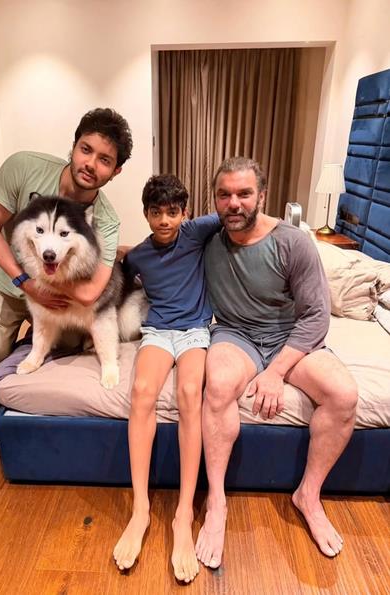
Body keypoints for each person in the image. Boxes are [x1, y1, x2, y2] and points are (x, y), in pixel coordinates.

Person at [195, 156, 358, 568]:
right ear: (214, 199)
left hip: (290, 336)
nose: (234, 203)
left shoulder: (293, 241)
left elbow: (316, 316)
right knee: (218, 386)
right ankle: (216, 502)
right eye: (224, 195)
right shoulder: (207, 237)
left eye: (244, 194)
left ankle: (309, 495)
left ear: (262, 196)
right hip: (235, 334)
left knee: (343, 394)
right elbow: (155, 246)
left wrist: (275, 372)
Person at [113, 174, 220, 583]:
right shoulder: (139, 255)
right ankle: (140, 509)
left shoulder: (195, 233)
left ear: (185, 213)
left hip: (195, 330)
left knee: (191, 392)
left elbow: (234, 213)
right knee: (142, 392)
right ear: (145, 214)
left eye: (172, 212)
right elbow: (120, 272)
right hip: (158, 330)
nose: (164, 220)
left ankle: (182, 514)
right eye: (156, 212)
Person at [0, 108, 133, 373]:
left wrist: (44, 287)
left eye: (104, 160)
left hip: (59, 294)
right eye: (86, 149)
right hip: (4, 278)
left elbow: (91, 293)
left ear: (115, 171)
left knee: (66, 346)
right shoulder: (23, 167)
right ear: (74, 146)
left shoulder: (106, 221)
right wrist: (26, 283)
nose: (90, 164)